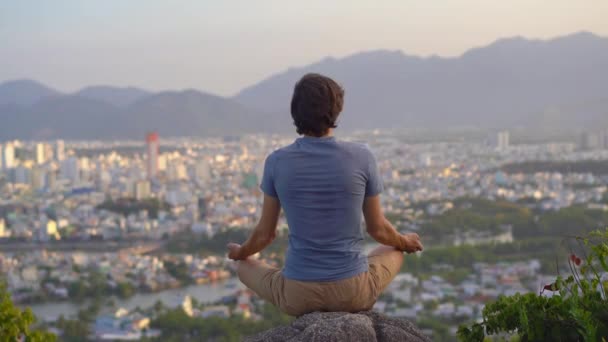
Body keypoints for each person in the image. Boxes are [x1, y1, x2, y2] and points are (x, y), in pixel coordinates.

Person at [227, 73, 423, 316]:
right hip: (353, 292)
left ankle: (283, 279)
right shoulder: (362, 156)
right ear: (336, 109)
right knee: (393, 250)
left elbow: (265, 235)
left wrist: (239, 252)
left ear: (295, 112)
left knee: (244, 267)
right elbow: (379, 230)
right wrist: (406, 241)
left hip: (298, 295)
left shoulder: (276, 162)